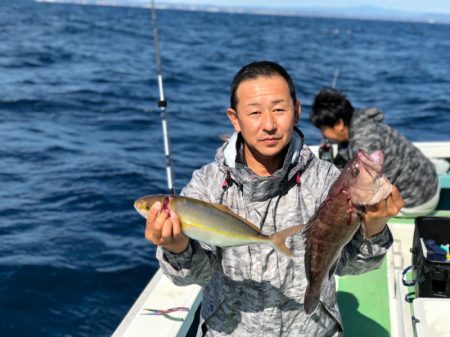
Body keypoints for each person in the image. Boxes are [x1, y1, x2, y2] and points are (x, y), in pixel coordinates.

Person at [145, 61, 404, 337]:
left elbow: (348, 265)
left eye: (279, 110)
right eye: (254, 112)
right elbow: (197, 276)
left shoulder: (327, 180)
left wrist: (373, 229)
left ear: (297, 111)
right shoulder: (206, 185)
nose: (268, 124)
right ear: (235, 119)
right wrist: (177, 248)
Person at [310, 87, 439, 217]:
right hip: (429, 177)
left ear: (339, 124)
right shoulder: (361, 121)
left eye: (324, 129)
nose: (324, 135)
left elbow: (365, 191)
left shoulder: (364, 141)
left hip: (417, 199)